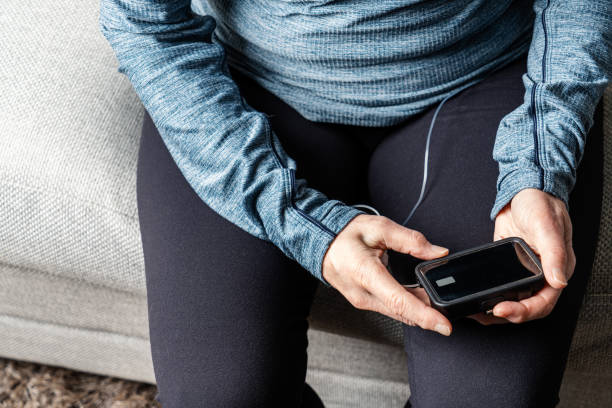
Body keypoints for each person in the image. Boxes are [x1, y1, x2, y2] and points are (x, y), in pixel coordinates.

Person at [100, 1, 610, 407]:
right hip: (249, 87)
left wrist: (539, 164)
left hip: (480, 77)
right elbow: (147, 26)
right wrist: (303, 223)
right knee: (220, 396)